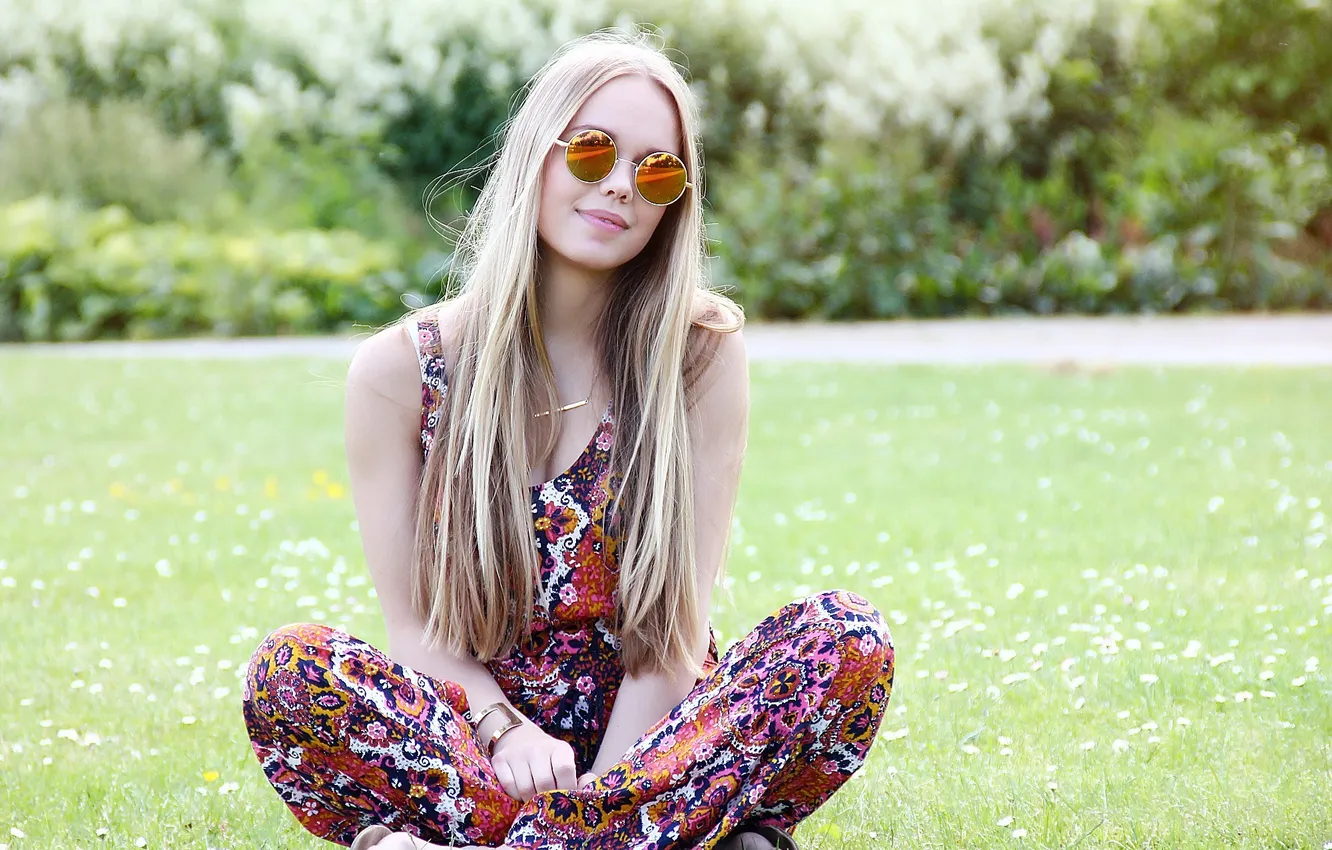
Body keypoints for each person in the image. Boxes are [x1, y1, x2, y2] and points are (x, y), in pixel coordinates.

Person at [240, 27, 895, 850]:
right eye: (593, 152)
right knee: (291, 673)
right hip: (482, 749)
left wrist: (605, 799)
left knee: (845, 641)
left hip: (653, 740)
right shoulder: (398, 373)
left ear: (674, 204)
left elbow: (674, 635)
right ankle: (680, 838)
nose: (621, 187)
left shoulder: (699, 356)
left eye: (656, 172)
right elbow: (415, 632)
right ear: (537, 158)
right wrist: (507, 734)